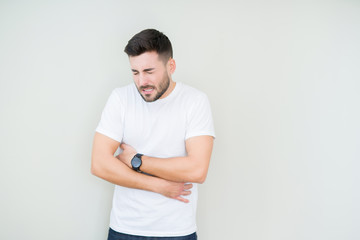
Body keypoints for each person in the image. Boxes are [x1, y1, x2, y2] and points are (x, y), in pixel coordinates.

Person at [91, 29, 215, 240]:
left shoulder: (194, 101)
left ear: (171, 66)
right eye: (135, 72)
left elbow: (197, 169)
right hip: (124, 230)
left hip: (177, 232)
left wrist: (136, 161)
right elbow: (99, 164)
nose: (142, 82)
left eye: (149, 71)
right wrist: (159, 186)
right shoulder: (121, 98)